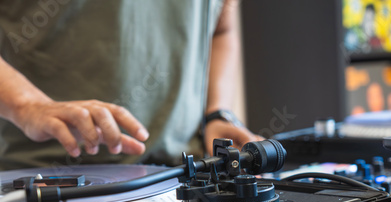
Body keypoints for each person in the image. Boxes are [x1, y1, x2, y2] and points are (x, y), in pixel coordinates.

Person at [0, 0, 261, 170]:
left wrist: (216, 113)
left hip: (185, 177)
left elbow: (221, 28)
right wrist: (27, 105)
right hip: (41, 182)